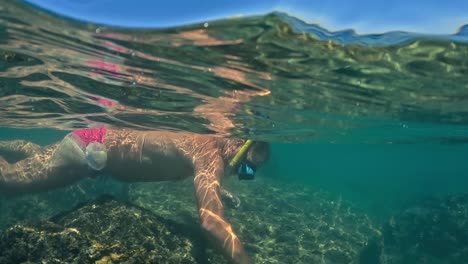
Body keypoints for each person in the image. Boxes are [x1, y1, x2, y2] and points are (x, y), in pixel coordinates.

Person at [0, 127, 270, 264]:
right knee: (9, 183)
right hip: (87, 151)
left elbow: (207, 177)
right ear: (237, 146)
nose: (243, 174)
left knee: (40, 160)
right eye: (246, 168)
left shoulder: (208, 149)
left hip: (91, 144)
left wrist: (218, 191)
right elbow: (210, 222)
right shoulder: (210, 154)